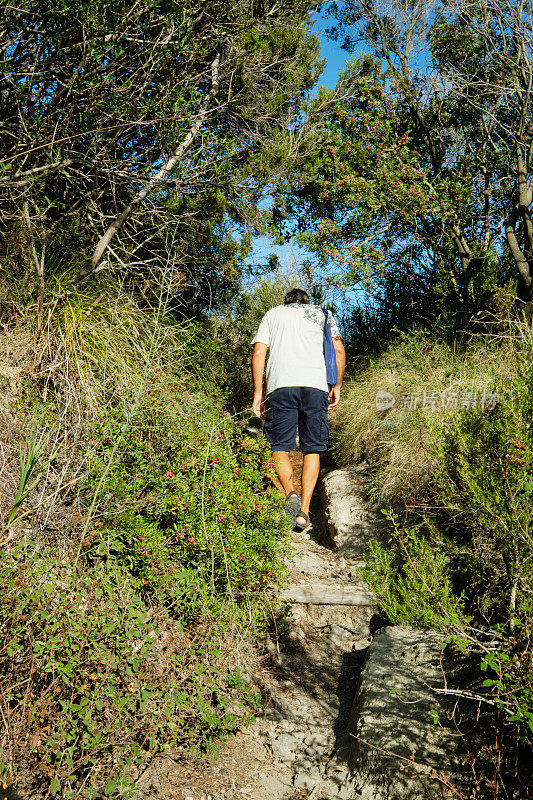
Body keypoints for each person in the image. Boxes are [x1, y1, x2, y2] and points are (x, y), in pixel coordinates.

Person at [251, 288, 345, 531]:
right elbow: (338, 350)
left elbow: (259, 352)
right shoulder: (323, 314)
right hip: (315, 388)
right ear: (307, 302)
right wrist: (337, 386)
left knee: (278, 445)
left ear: (287, 303)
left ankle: (290, 492)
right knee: (312, 447)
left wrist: (258, 392)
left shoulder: (273, 314)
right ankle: (303, 512)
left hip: (280, 387)